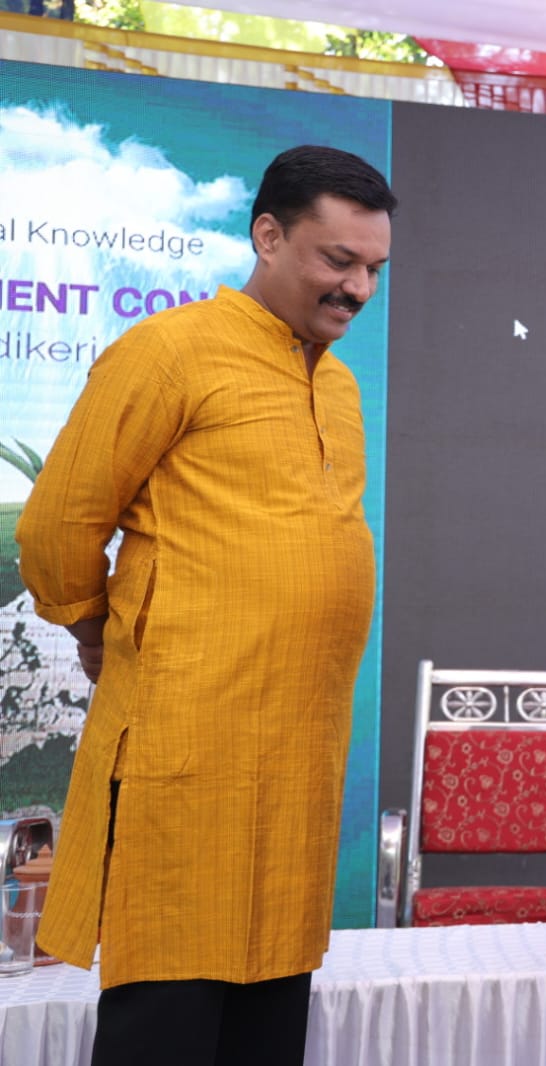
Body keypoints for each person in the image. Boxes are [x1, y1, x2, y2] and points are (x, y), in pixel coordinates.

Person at [17, 145, 396, 1066]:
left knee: (270, 1012)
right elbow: (58, 526)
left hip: (296, 760)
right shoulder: (169, 352)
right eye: (338, 260)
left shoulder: (338, 385)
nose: (357, 289)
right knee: (170, 1009)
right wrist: (96, 629)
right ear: (267, 235)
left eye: (374, 269)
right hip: (185, 751)